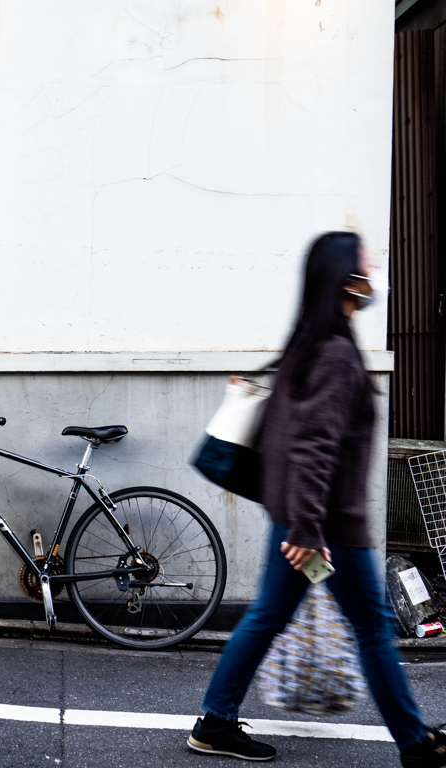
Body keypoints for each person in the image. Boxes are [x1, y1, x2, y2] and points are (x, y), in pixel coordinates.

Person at [188, 232, 446, 767]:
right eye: (368, 264)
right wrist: (308, 530)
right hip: (327, 532)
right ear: (346, 279)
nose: (376, 274)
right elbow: (312, 448)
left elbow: (293, 441)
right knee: (372, 629)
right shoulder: (333, 354)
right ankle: (416, 746)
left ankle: (215, 722)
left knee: (270, 617)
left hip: (304, 525)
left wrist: (296, 521)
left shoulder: (315, 343)